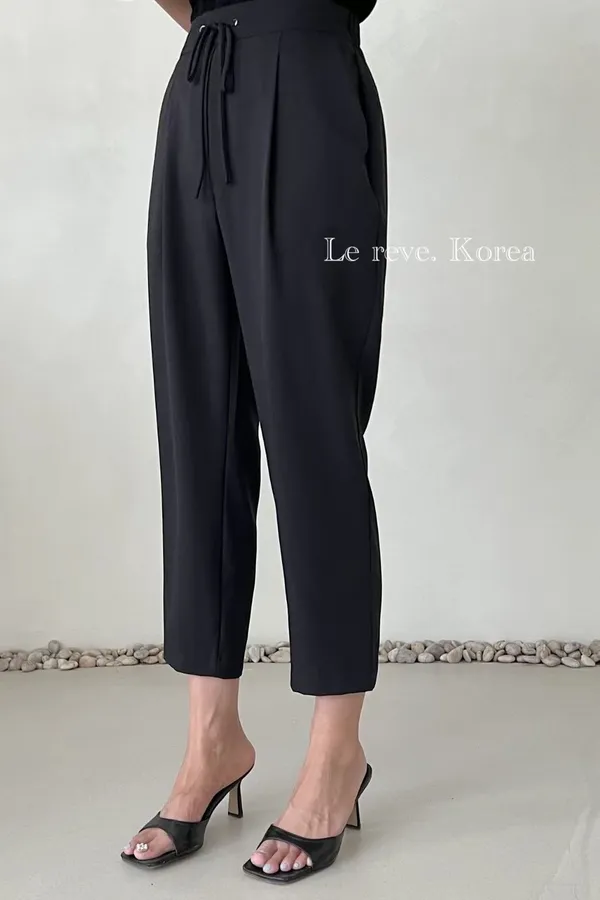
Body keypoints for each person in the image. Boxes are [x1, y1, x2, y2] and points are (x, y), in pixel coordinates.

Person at [121, 0, 387, 883]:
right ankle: (213, 739)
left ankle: (337, 753)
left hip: (306, 78)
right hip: (199, 85)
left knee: (315, 431)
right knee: (196, 423)